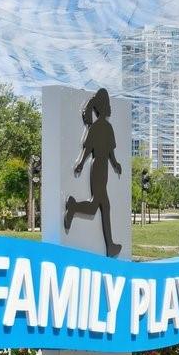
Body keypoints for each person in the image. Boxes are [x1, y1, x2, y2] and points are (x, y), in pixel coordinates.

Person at [63, 88, 123, 256]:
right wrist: (81, 163)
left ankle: (110, 245)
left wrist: (115, 164)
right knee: (100, 205)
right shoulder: (100, 127)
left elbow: (110, 152)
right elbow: (89, 148)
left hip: (102, 168)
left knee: (101, 205)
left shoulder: (103, 127)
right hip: (98, 168)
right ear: (105, 107)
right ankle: (74, 208)